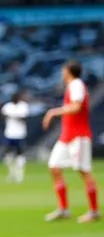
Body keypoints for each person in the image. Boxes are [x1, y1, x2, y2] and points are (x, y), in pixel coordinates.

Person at [43, 60, 99, 223]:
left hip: (78, 135)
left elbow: (76, 106)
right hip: (67, 135)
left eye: (63, 71)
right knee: (54, 167)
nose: (62, 74)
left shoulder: (76, 84)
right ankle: (63, 209)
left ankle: (94, 211)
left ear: (68, 71)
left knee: (83, 171)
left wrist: (54, 112)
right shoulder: (73, 86)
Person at [0, 91, 28, 183]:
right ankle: (11, 173)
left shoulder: (23, 106)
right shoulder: (8, 106)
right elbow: (2, 115)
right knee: (8, 154)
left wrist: (12, 116)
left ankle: (20, 175)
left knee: (20, 154)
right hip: (9, 133)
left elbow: (24, 118)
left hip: (20, 134)